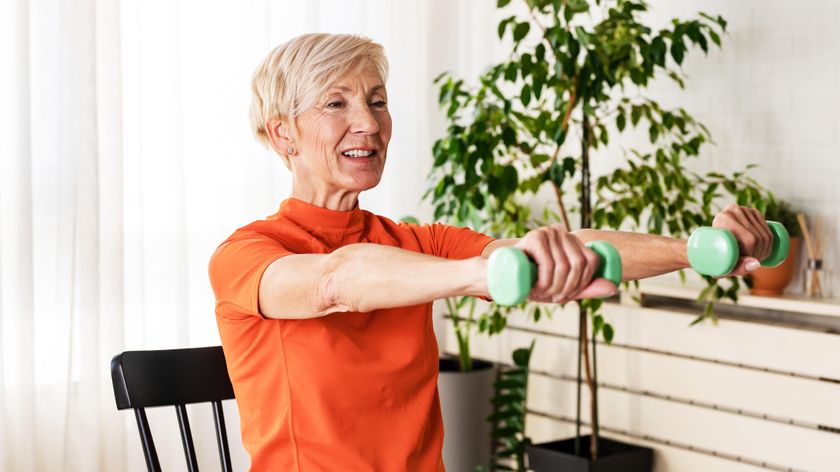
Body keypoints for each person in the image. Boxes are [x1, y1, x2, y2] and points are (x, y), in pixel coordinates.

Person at [208, 33, 774, 472]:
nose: (369, 123)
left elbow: (566, 247)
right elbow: (335, 282)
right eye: (337, 103)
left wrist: (702, 250)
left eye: (378, 101)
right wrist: (476, 274)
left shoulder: (416, 244)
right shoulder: (248, 255)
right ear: (283, 134)